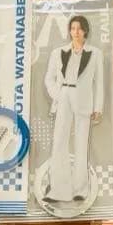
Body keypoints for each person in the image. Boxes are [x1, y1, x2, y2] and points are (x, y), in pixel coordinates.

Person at [44, 14, 104, 204]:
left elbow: (99, 82)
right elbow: (49, 78)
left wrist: (98, 107)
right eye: (72, 28)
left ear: (85, 31)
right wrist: (58, 95)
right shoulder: (58, 52)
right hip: (63, 97)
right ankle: (57, 190)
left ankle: (80, 190)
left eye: (79, 28)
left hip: (84, 100)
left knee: (81, 143)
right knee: (59, 142)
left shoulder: (95, 53)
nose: (75, 32)